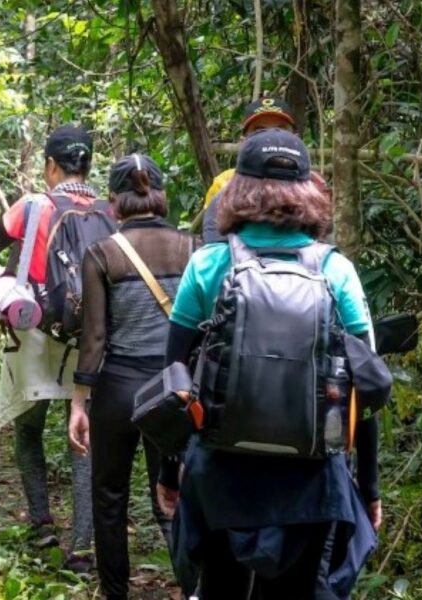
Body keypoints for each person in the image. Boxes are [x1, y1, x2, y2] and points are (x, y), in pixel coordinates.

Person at [158, 129, 380, 599]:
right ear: (308, 192)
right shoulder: (335, 269)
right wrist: (369, 485)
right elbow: (365, 385)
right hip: (312, 481)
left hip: (220, 475)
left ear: (239, 189)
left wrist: (168, 471)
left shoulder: (208, 265)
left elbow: (172, 380)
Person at [67, 154, 197, 599]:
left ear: (112, 202)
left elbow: (95, 337)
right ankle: (193, 585)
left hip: (119, 390)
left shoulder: (101, 253)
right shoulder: (192, 248)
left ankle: (114, 592)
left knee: (109, 498)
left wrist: (79, 403)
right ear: (160, 195)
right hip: (174, 391)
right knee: (174, 497)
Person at [0, 125, 105, 570]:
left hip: (33, 330)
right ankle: (85, 546)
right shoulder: (109, 211)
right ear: (88, 164)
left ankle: (42, 526)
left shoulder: (34, 205)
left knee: (29, 431)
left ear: (51, 165)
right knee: (84, 440)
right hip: (89, 341)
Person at [202, 97, 328, 244]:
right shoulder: (224, 183)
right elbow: (214, 239)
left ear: (296, 138)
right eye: (259, 131)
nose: (271, 136)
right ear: (243, 141)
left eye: (280, 129)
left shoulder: (312, 186)